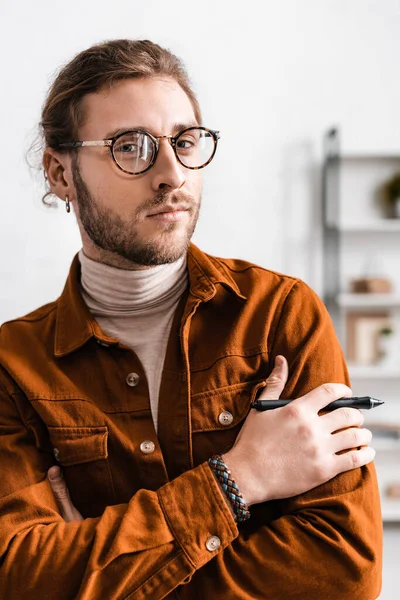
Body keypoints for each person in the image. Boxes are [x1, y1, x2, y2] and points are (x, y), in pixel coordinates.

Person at [0, 39, 382, 600]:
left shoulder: (281, 315)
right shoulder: (13, 365)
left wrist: (106, 574)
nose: (172, 174)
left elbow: (344, 571)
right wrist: (241, 479)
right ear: (60, 173)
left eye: (184, 142)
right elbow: (17, 574)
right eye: (131, 147)